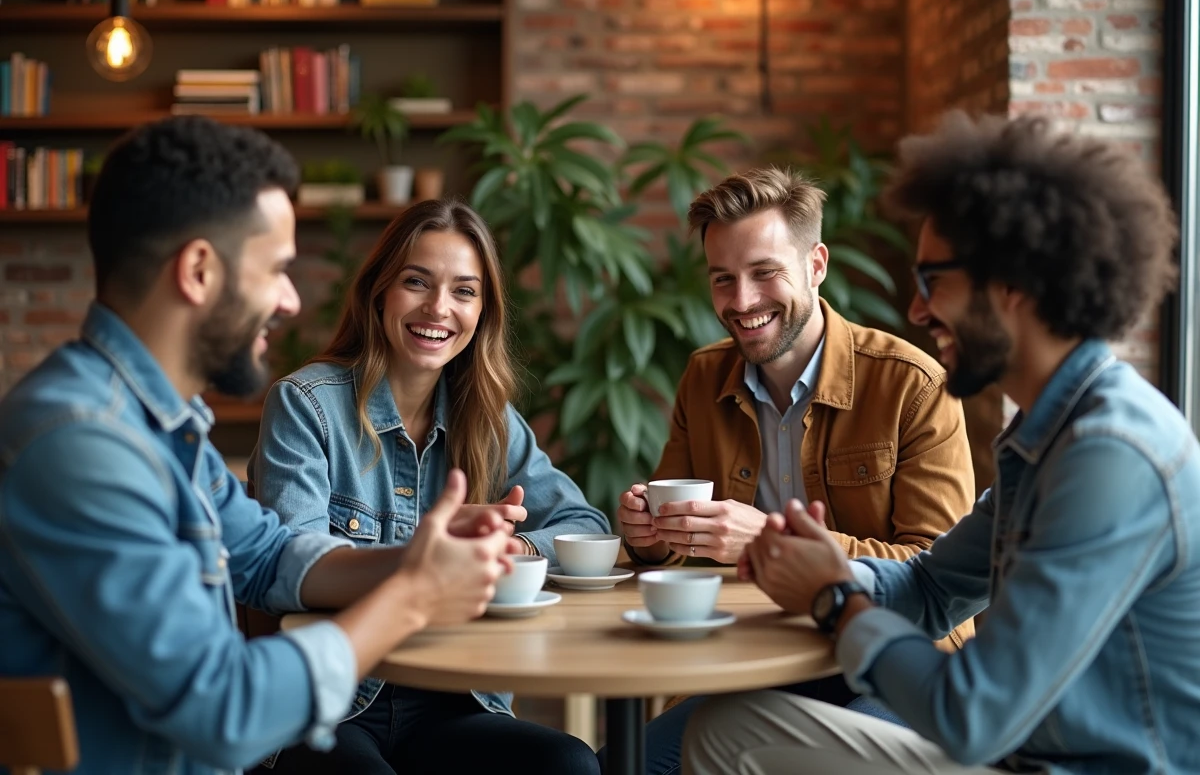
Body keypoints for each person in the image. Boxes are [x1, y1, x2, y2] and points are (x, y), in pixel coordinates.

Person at [683, 112, 1200, 775]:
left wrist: (835, 601)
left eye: (933, 282)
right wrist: (831, 568)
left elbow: (974, 715)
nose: (918, 310)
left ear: (1009, 284)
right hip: (1017, 755)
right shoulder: (1044, 433)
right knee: (728, 729)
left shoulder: (1111, 454)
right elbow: (933, 583)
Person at [0, 117, 521, 775]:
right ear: (198, 271)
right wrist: (414, 593)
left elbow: (270, 556)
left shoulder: (161, 425)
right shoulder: (81, 446)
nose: (290, 298)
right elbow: (225, 709)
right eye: (275, 269)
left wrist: (418, 556)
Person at [604, 166, 977, 774]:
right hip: (749, 660)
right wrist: (647, 537)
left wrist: (775, 546)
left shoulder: (913, 387)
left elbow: (940, 575)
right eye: (723, 279)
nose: (742, 301)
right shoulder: (704, 376)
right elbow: (670, 547)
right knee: (629, 765)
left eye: (764, 273)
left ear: (817, 264)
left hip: (894, 664)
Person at [248, 197, 607, 775]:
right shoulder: (306, 404)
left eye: (464, 291)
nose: (439, 308)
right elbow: (294, 568)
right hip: (330, 705)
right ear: (380, 292)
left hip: (455, 698)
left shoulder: (488, 418)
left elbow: (585, 525)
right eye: (417, 282)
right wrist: (430, 558)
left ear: (483, 311)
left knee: (569, 765)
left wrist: (515, 549)